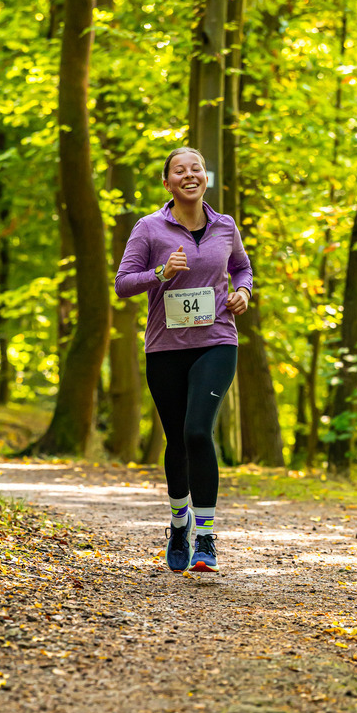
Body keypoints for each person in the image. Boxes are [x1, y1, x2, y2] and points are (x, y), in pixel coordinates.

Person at [114, 147, 253, 573]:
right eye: (180, 170)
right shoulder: (149, 228)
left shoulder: (225, 226)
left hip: (217, 341)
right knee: (176, 439)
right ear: (167, 182)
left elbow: (243, 269)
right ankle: (179, 524)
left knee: (197, 432)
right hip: (165, 347)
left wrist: (243, 293)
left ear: (205, 177)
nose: (189, 175)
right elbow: (122, 284)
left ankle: (206, 538)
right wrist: (160, 274)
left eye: (196, 168)